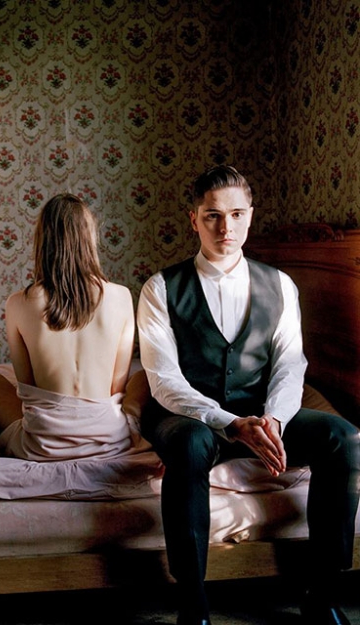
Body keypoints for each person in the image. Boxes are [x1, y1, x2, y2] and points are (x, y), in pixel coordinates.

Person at [137, 165, 360, 625]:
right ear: (194, 220)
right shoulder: (160, 287)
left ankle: (323, 592)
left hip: (261, 413)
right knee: (189, 445)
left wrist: (273, 420)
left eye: (237, 214)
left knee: (345, 438)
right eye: (213, 215)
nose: (227, 227)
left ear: (250, 216)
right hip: (189, 415)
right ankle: (193, 603)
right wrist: (230, 423)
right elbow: (163, 380)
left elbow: (291, 365)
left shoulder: (280, 284)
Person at [0, 193, 149, 461]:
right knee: (141, 377)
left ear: (43, 239)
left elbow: (27, 388)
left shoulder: (17, 303)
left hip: (44, 442)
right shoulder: (121, 296)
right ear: (89, 238)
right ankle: (128, 425)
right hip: (108, 437)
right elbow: (116, 387)